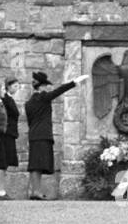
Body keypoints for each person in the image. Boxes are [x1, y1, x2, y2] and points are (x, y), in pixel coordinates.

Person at [24, 72, 84, 200]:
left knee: (35, 164)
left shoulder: (28, 103)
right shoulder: (44, 97)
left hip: (33, 135)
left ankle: (35, 191)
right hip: (43, 135)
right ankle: (36, 192)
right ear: (41, 87)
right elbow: (59, 90)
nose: (47, 88)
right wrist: (74, 82)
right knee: (37, 165)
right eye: (45, 85)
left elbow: (30, 122)